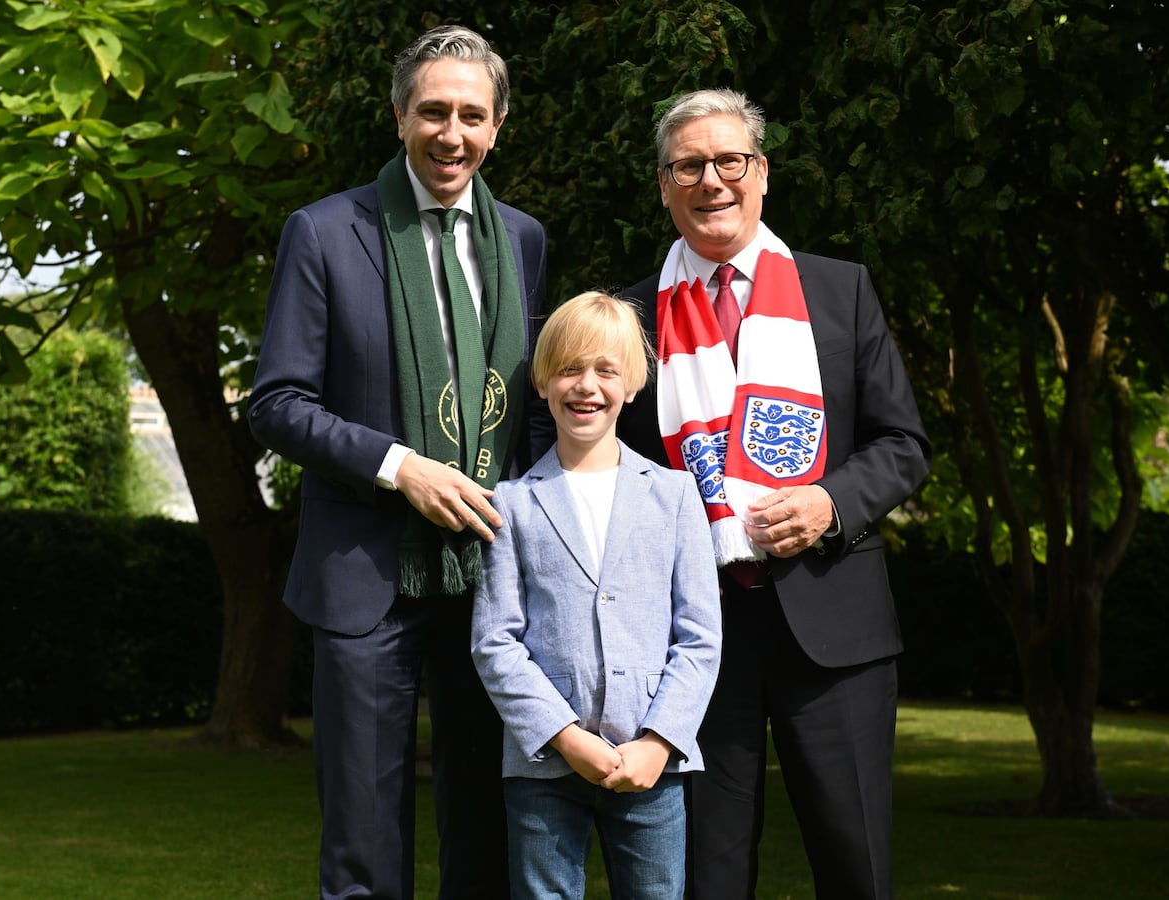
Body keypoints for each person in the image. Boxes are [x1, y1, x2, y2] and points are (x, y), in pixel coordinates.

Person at [247, 25, 548, 900]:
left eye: (471, 115)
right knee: (364, 847)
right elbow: (278, 403)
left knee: (489, 828)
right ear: (397, 116)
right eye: (432, 112)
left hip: (490, 574)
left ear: (498, 127)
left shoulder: (524, 241)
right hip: (365, 575)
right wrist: (399, 467)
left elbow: (524, 408)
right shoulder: (325, 231)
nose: (451, 134)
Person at [614, 89, 931, 899]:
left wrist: (830, 502)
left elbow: (903, 444)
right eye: (690, 165)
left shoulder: (840, 290)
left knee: (855, 867)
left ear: (762, 173)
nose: (711, 180)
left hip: (836, 629)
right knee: (706, 876)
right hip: (694, 640)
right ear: (664, 184)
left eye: (730, 161)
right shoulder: (630, 318)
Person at [471, 291, 723, 899]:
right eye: (569, 369)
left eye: (606, 370)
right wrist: (566, 736)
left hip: (650, 766)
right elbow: (494, 641)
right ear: (542, 382)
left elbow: (700, 637)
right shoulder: (510, 504)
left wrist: (660, 741)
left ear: (632, 385)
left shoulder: (675, 495)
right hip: (544, 763)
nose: (587, 386)